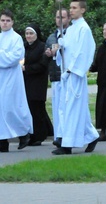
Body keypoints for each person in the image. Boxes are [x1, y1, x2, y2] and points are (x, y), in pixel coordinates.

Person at [53, 0, 99, 155]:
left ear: (82, 10)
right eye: (70, 8)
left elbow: (83, 52)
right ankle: (91, 135)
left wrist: (72, 70)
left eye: (74, 8)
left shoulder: (84, 29)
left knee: (73, 108)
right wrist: (61, 47)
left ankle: (67, 145)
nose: (71, 10)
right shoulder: (71, 29)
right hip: (67, 74)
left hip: (75, 75)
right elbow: (67, 51)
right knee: (72, 108)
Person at [0, 9, 32, 153]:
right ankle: (1, 141)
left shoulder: (16, 38)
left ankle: (23, 133)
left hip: (10, 77)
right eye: (2, 20)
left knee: (10, 107)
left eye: (8, 21)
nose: (5, 23)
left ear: (12, 22)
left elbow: (15, 57)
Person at [23, 23, 53, 145]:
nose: (28, 36)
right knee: (30, 108)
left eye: (31, 33)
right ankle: (41, 132)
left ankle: (39, 136)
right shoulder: (24, 46)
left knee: (37, 108)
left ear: (36, 34)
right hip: (26, 81)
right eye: (27, 34)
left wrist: (27, 68)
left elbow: (42, 64)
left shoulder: (42, 47)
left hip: (38, 81)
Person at [44, 8, 69, 147]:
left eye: (63, 17)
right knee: (57, 108)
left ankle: (64, 135)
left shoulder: (70, 35)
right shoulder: (52, 37)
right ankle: (58, 135)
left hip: (66, 76)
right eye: (58, 17)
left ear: (68, 19)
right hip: (55, 76)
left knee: (64, 108)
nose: (60, 20)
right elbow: (47, 56)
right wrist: (48, 53)